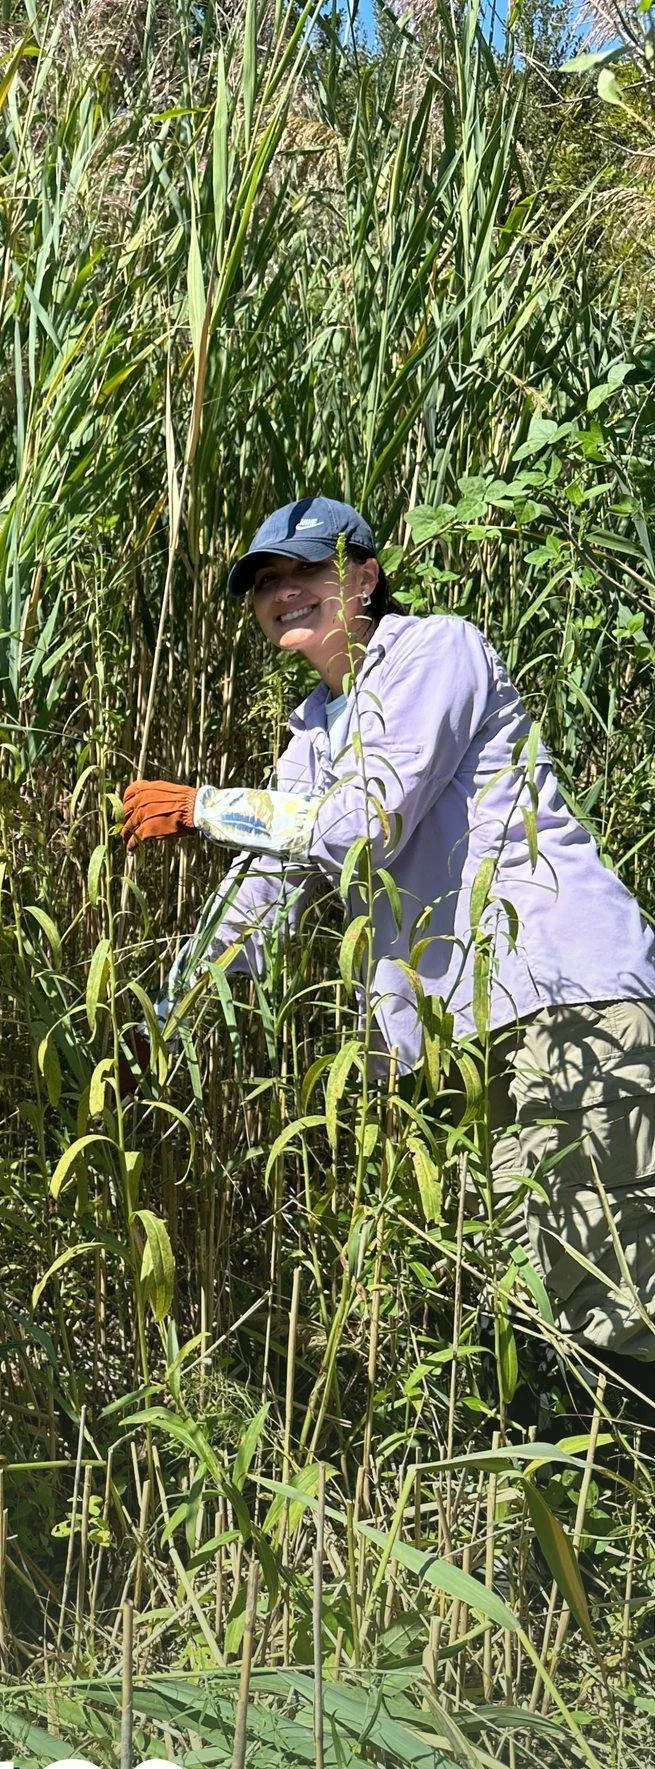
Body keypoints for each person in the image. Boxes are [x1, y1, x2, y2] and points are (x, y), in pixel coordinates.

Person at [121, 493, 655, 1403]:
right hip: (454, 1038)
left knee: (612, 1290)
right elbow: (263, 889)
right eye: (264, 582)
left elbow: (361, 822)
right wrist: (162, 1018)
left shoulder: (435, 651)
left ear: (364, 576)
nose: (282, 593)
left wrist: (207, 806)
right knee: (540, 1300)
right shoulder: (311, 732)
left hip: (559, 1003)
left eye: (305, 570)